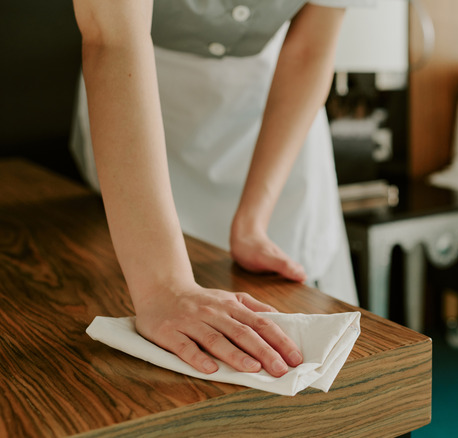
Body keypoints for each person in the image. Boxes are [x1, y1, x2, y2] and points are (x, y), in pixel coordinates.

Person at [70, 0, 366, 378]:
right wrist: (163, 285)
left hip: (272, 111)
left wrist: (253, 223)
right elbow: (112, 37)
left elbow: (310, 49)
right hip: (141, 101)